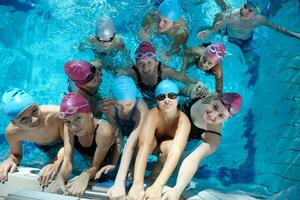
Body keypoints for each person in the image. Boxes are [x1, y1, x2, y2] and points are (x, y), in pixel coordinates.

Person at [197, 1, 300, 86]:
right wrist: (208, 32)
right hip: (227, 34)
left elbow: (278, 29)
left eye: (250, 10)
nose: (244, 11)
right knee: (212, 22)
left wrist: (295, 34)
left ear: (256, 14)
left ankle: (252, 83)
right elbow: (219, 25)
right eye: (245, 6)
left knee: (252, 63)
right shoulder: (233, 15)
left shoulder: (259, 20)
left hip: (244, 42)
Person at [161, 93, 242, 200]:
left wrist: (177, 189)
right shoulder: (209, 96)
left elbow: (193, 160)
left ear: (227, 119)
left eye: (221, 116)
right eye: (215, 107)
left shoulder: (214, 136)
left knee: (176, 162)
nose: (212, 116)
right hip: (177, 115)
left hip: (189, 139)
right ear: (213, 100)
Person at [127, 80, 191, 200]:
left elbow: (174, 154)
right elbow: (144, 147)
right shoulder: (153, 115)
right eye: (162, 97)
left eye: (171, 95)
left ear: (178, 98)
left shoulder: (184, 121)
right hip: (151, 144)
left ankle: (156, 172)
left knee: (173, 148)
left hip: (165, 148)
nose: (167, 100)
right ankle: (133, 165)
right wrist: (137, 184)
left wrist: (158, 186)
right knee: (145, 142)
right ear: (156, 101)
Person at [93, 76, 148, 199]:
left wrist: (119, 182)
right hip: (123, 132)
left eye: (129, 104)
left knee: (134, 168)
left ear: (135, 98)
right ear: (112, 99)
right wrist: (114, 165)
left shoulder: (141, 109)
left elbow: (132, 143)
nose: (124, 109)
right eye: (119, 105)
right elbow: (118, 136)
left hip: (139, 137)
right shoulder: (110, 108)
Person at [52, 93, 115, 197]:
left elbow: (96, 166)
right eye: (68, 121)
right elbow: (68, 162)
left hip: (106, 158)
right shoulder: (68, 128)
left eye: (77, 118)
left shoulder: (104, 132)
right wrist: (61, 176)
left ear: (90, 114)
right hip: (87, 156)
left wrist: (86, 174)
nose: (73, 126)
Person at [0, 88, 64, 188]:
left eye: (34, 110)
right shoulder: (12, 132)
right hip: (41, 146)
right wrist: (11, 159)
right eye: (24, 118)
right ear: (14, 123)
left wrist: (56, 162)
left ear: (37, 105)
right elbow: (16, 154)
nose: (34, 120)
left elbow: (70, 144)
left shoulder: (57, 115)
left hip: (63, 143)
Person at [122, 41, 208, 107]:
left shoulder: (164, 70)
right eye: (141, 64)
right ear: (136, 65)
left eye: (149, 63)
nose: (145, 68)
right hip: (145, 97)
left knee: (178, 91)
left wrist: (198, 82)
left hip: (164, 94)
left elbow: (182, 77)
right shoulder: (132, 73)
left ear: (156, 63)